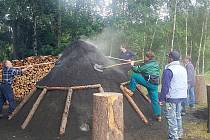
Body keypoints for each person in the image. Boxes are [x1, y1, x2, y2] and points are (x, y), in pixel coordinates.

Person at [125, 51, 161, 121]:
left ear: (148, 57)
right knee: (155, 100)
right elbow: (142, 66)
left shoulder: (148, 65)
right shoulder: (155, 63)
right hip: (155, 85)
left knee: (134, 76)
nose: (144, 58)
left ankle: (131, 91)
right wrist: (133, 63)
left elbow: (137, 70)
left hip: (149, 82)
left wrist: (132, 65)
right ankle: (158, 115)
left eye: (145, 57)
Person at [159, 51, 188, 140]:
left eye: (168, 57)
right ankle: (179, 133)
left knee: (171, 118)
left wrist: (161, 98)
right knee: (178, 115)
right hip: (182, 96)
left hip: (172, 97)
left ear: (171, 58)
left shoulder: (169, 70)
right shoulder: (183, 68)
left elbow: (165, 86)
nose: (168, 58)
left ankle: (173, 137)